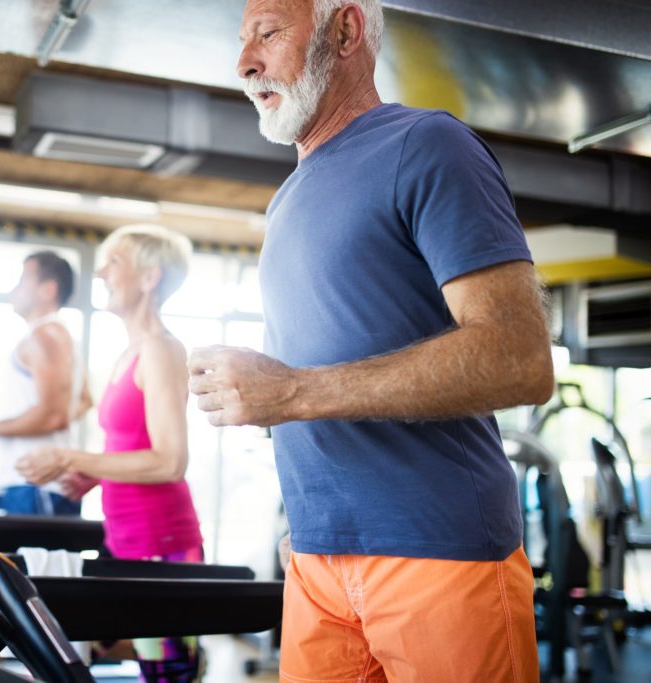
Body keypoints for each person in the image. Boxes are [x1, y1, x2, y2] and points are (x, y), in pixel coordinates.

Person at [188, 1, 553, 682]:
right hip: (317, 557)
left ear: (345, 31)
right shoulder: (287, 198)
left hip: (440, 553)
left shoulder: (427, 145)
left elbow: (520, 357)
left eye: (267, 34)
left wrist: (292, 392)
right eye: (243, 42)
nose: (244, 63)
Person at [16, 224, 204, 683]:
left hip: (161, 546)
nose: (100, 271)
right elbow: (129, 447)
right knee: (128, 656)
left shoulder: (160, 350)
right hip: (126, 539)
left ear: (148, 278)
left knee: (165, 676)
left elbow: (169, 461)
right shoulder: (130, 353)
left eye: (114, 262)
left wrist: (70, 459)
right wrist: (94, 476)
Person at [0, 250, 90, 516]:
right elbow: (83, 401)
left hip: (35, 485)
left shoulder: (44, 337)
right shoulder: (61, 336)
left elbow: (54, 416)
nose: (14, 290)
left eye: (22, 281)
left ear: (48, 290)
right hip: (44, 484)